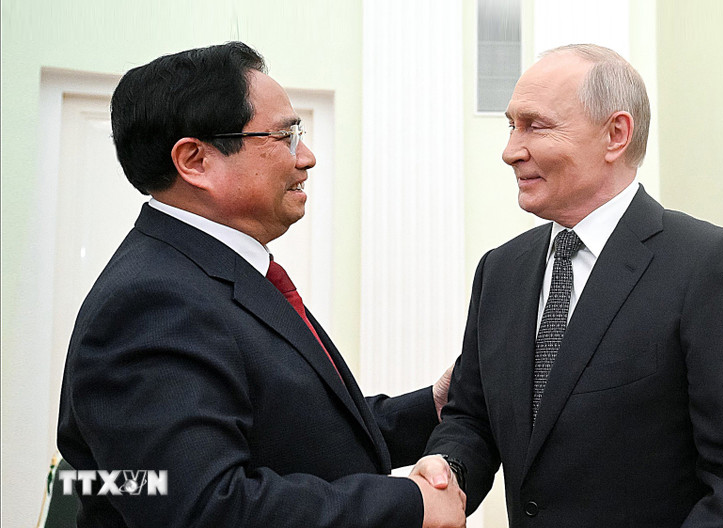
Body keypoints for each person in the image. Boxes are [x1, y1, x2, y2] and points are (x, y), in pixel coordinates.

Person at [57, 42, 465, 528]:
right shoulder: (150, 304)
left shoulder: (207, 273)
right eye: (285, 136)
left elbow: (297, 431)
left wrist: (432, 405)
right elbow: (205, 508)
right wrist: (408, 504)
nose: (306, 157)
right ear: (195, 161)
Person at [417, 44, 723, 527]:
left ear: (615, 135)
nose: (511, 150)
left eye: (535, 126)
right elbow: (472, 419)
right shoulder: (500, 270)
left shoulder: (709, 266)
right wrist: (449, 470)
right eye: (511, 125)